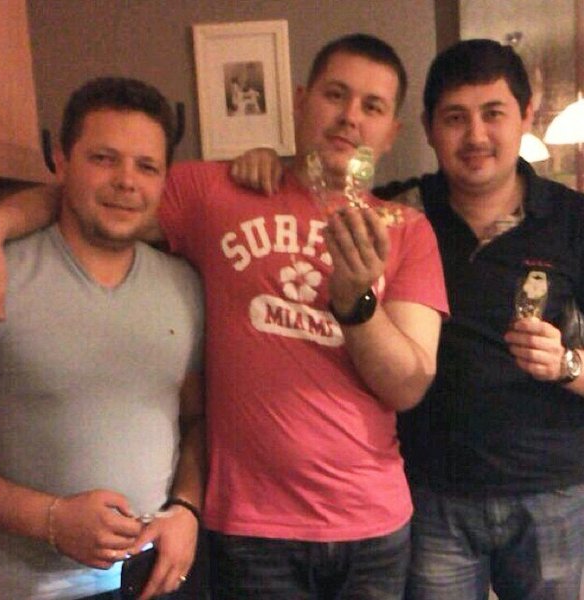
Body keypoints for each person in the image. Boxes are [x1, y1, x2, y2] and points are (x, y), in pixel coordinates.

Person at [0, 34, 448, 599]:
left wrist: (355, 303)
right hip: (252, 526)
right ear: (300, 102)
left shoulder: (405, 229)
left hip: (372, 522)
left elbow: (407, 385)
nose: (350, 117)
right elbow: (98, 198)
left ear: (391, 132)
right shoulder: (215, 190)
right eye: (336, 95)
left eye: (372, 106)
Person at [230, 38, 584, 600]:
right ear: (426, 128)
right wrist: (272, 164)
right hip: (430, 494)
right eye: (455, 118)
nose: (475, 136)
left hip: (552, 492)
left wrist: (566, 364)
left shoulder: (573, 220)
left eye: (493, 114)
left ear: (526, 115)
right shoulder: (395, 214)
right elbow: (318, 193)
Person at [0, 77, 205, 599]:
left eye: (147, 166)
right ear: (61, 161)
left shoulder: (185, 285)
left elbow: (196, 420)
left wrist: (187, 508)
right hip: (23, 586)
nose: (127, 182)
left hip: (154, 581)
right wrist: (51, 518)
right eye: (104, 159)